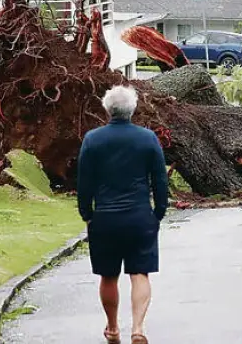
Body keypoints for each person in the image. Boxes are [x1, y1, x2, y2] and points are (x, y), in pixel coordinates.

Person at [77, 85, 169, 344]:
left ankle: (113, 327)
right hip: (140, 217)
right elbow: (159, 180)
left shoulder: (92, 139)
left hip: (105, 218)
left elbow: (84, 182)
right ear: (133, 109)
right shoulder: (148, 138)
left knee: (108, 275)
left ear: (107, 109)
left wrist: (87, 213)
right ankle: (138, 328)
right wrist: (158, 212)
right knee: (140, 273)